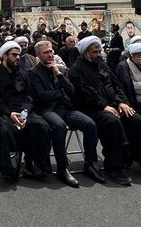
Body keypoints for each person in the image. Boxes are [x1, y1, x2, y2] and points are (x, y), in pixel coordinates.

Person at [68, 36, 141, 185]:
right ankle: (114, 167)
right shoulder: (76, 70)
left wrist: (122, 102)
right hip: (92, 108)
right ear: (85, 53)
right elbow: (84, 93)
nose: (98, 55)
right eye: (94, 52)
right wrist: (103, 106)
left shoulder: (102, 65)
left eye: (99, 51)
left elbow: (116, 85)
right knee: (112, 122)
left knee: (136, 119)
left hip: (113, 104)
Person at [29, 40, 103, 187]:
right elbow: (41, 96)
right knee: (59, 126)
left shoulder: (58, 68)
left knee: (89, 124)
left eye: (51, 51)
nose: (50, 55)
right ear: (38, 55)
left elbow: (71, 90)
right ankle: (62, 168)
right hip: (47, 110)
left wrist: (59, 74)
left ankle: (90, 164)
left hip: (65, 108)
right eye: (46, 52)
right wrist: (60, 93)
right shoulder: (33, 73)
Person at [0, 41, 51, 181]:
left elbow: (29, 96)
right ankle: (9, 168)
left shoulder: (22, 73)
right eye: (14, 55)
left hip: (22, 111)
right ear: (4, 56)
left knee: (41, 126)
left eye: (19, 55)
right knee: (5, 129)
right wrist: (10, 114)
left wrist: (24, 113)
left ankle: (34, 164)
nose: (18, 57)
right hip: (1, 112)